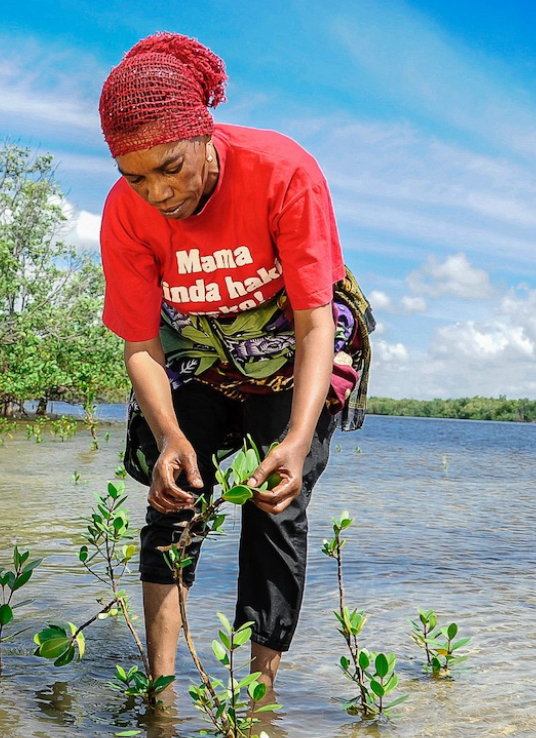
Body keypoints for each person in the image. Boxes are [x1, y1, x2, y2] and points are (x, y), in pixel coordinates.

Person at [97, 31, 374, 694]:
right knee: (174, 492)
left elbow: (313, 322)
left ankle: (257, 698)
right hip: (195, 351)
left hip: (292, 344)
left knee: (274, 500)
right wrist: (168, 435)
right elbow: (139, 344)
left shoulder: (281, 171)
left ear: (203, 135)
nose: (157, 194)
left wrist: (296, 438)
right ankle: (159, 693)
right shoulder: (126, 214)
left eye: (171, 167)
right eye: (134, 177)